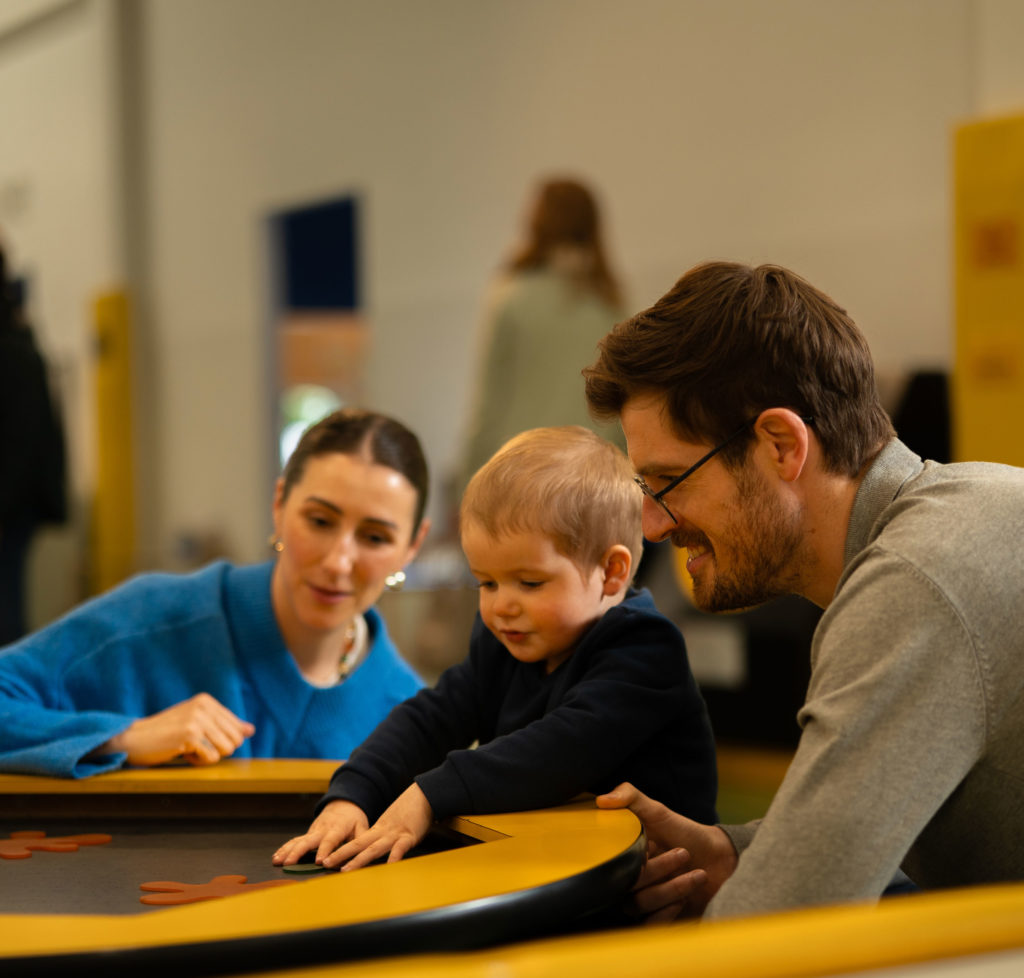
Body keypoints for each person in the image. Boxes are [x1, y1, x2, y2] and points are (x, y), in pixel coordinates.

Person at [581, 260, 1024, 920]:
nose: (651, 523)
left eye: (669, 482)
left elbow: (775, 933)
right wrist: (742, 854)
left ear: (782, 444)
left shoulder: (913, 584)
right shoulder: (977, 502)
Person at [273, 426, 717, 872]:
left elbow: (558, 752)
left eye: (529, 582)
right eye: (486, 582)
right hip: (557, 870)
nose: (502, 605)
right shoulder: (506, 642)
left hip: (663, 894)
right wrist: (353, 794)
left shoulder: (644, 650)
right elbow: (432, 718)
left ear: (611, 572)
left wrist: (429, 793)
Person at [0, 408, 429, 778]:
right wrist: (123, 737)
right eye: (319, 521)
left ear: (412, 546)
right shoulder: (151, 621)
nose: (338, 561)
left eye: (374, 538)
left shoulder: (411, 716)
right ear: (279, 505)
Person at [457, 177, 626, 494]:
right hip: (596, 481)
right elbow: (623, 410)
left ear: (535, 223)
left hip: (522, 477)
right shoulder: (611, 303)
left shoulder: (511, 297)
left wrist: (468, 484)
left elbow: (489, 403)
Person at [0, 247, 68, 646]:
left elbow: (20, 443)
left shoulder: (13, 348)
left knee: (6, 618)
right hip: (14, 505)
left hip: (11, 509)